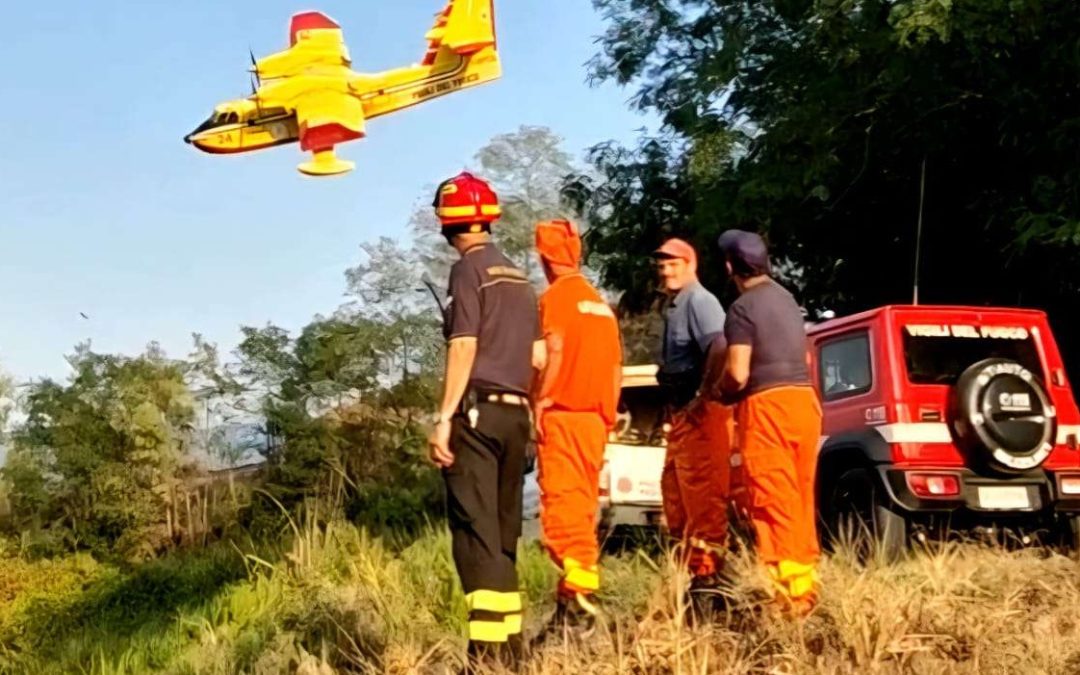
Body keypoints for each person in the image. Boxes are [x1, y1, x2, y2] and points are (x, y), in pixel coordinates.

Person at [427, 171, 545, 670]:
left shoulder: (467, 271)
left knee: (476, 538)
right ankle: (511, 653)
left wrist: (444, 417)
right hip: (517, 414)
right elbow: (538, 357)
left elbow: (463, 345)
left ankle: (486, 658)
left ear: (446, 222)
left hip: (477, 413)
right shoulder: (518, 278)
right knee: (502, 536)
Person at [717, 229, 823, 616]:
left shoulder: (741, 309)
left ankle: (792, 599)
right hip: (805, 403)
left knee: (772, 497)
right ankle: (806, 585)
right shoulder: (787, 300)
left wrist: (718, 391)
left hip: (767, 407)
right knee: (799, 496)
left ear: (729, 267)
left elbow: (738, 372)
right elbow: (805, 359)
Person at [531, 218, 622, 637]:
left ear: (544, 258)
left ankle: (581, 604)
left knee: (562, 511)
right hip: (596, 420)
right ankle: (569, 607)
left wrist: (542, 399)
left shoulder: (555, 299)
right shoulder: (600, 304)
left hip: (564, 416)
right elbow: (615, 369)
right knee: (582, 510)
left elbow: (553, 349)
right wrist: (608, 415)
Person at [652, 238, 736, 597]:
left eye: (673, 264)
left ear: (691, 264)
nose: (666, 271)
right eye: (662, 266)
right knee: (678, 496)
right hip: (683, 416)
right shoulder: (676, 304)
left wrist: (704, 394)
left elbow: (720, 346)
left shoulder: (700, 301)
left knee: (702, 498)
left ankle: (713, 583)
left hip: (702, 416)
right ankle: (700, 577)